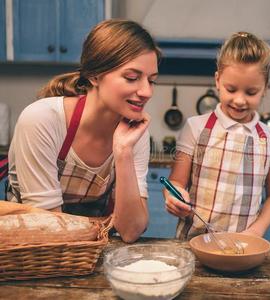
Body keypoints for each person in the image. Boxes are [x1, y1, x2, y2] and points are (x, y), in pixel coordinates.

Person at [7, 19, 160, 243]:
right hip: (34, 257)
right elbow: (48, 229)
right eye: (132, 77)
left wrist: (123, 151)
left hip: (92, 255)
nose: (147, 91)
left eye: (152, 80)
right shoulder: (42, 120)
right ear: (94, 76)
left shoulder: (134, 134)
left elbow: (131, 231)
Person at [164, 31, 270, 240]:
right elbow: (176, 182)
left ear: (265, 88)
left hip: (243, 245)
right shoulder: (195, 127)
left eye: (251, 92)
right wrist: (174, 197)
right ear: (218, 80)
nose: (239, 100)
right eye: (231, 89)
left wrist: (256, 230)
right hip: (192, 243)